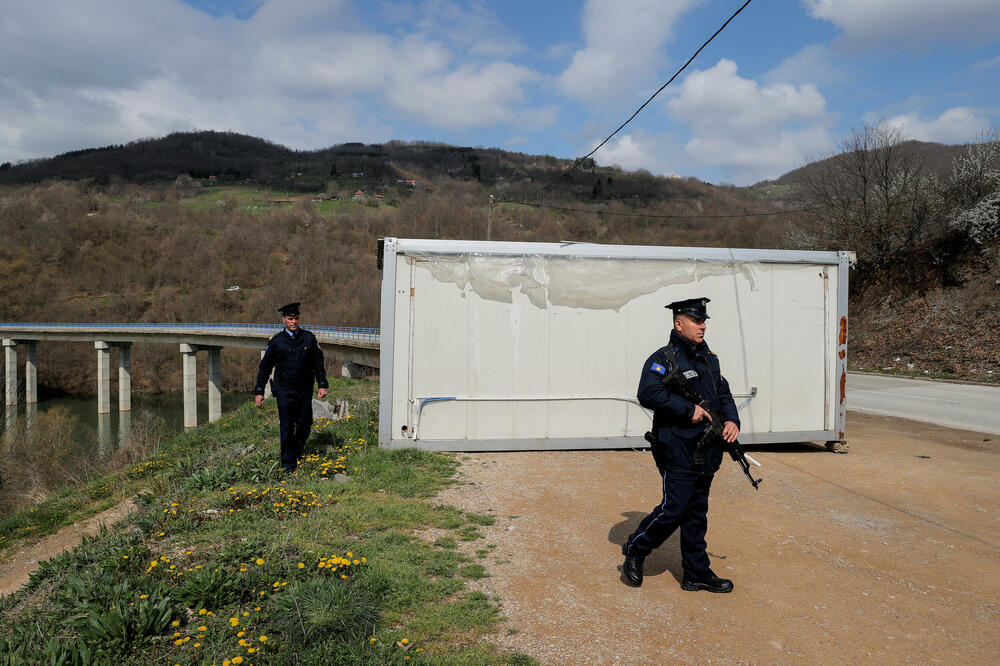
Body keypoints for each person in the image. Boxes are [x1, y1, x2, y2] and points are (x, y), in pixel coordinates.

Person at [621, 297, 740, 592]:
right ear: (679, 323)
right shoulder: (664, 359)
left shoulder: (709, 358)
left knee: (696, 513)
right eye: (697, 321)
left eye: (704, 322)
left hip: (707, 449)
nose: (703, 326)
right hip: (677, 447)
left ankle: (696, 573)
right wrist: (688, 410)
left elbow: (722, 392)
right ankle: (636, 550)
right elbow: (647, 393)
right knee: (674, 509)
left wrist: (732, 420)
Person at [254, 302, 329, 472]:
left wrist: (322, 384)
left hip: (304, 389)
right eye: (290, 319)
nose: (294, 322)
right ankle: (288, 465)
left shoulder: (309, 338)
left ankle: (296, 450)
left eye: (296, 318)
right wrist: (259, 391)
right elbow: (264, 368)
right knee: (286, 427)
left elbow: (318, 362)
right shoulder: (276, 341)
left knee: (305, 423)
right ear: (284, 320)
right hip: (284, 390)